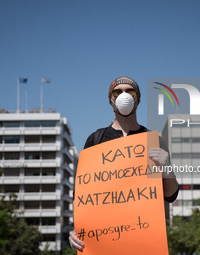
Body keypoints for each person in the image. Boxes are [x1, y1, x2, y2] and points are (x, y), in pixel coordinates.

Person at [69, 76, 179, 251]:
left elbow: (171, 195)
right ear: (111, 99)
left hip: (144, 240)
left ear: (137, 98)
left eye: (130, 91)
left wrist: (166, 167)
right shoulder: (96, 139)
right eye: (118, 91)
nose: (124, 95)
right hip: (105, 242)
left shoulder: (152, 141)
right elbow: (83, 196)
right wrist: (76, 230)